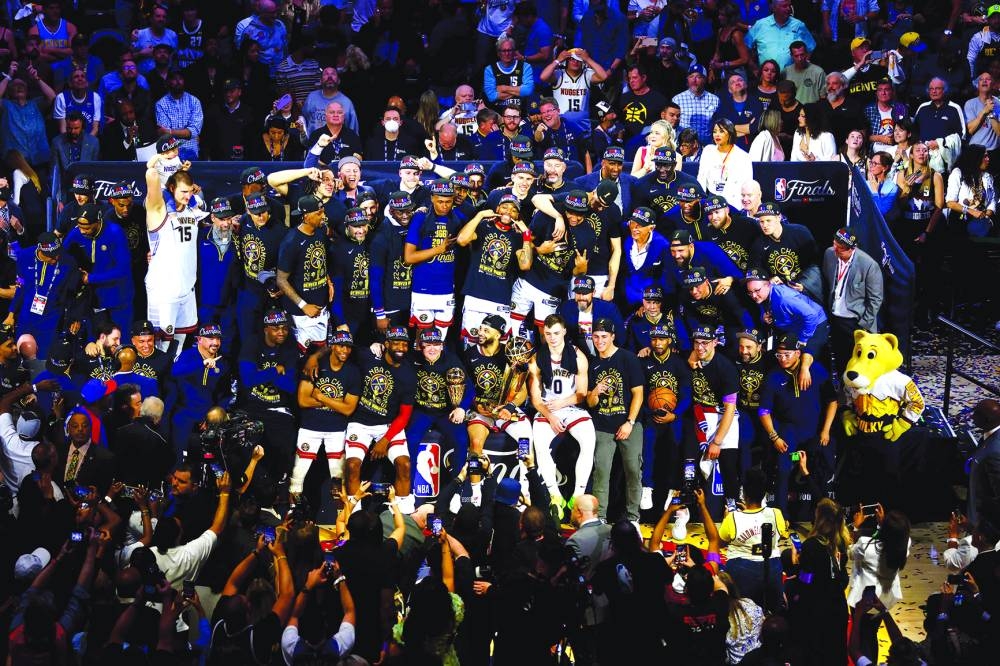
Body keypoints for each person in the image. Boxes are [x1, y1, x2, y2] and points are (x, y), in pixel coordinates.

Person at [343, 326, 417, 512]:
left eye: (404, 344)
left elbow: (405, 415)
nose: (401, 347)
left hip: (388, 425)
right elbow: (340, 348)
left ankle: (403, 514)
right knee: (352, 466)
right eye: (396, 342)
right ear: (386, 344)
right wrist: (313, 358)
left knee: (405, 465)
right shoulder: (367, 357)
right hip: (359, 422)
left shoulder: (408, 375)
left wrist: (385, 440)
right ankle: (354, 515)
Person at [528, 314, 596, 510]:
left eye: (556, 333)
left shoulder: (578, 356)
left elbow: (582, 394)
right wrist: (550, 415)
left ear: (564, 331)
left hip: (572, 406)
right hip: (547, 408)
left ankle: (577, 496)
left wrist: (562, 403)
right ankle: (555, 497)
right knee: (539, 445)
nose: (552, 337)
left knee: (589, 440)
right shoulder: (537, 359)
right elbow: (535, 399)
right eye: (548, 333)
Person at [585, 318, 644, 523]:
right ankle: (599, 518)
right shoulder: (593, 365)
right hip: (602, 425)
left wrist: (629, 422)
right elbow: (590, 403)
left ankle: (633, 518)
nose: (599, 341)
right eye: (596, 337)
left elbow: (638, 393)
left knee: (633, 471)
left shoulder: (628, 358)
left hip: (629, 423)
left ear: (612, 336)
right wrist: (596, 392)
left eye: (603, 336)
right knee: (601, 471)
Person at [719, 466, 790, 609]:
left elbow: (720, 543)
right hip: (771, 569)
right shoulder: (776, 513)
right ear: (764, 493)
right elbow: (782, 535)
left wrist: (726, 519)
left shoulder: (733, 517)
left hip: (741, 569)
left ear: (744, 493)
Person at [847, 505, 912, 659]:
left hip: (864, 599)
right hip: (884, 599)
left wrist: (856, 527)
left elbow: (851, 552)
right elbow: (894, 537)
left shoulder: (866, 544)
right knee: (871, 634)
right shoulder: (904, 544)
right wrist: (883, 524)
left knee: (863, 637)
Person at [404, 179, 465, 339]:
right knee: (421, 341)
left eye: (448, 201)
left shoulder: (458, 217)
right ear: (431, 198)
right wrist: (439, 249)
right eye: (440, 201)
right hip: (423, 288)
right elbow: (409, 257)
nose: (444, 206)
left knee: (440, 341)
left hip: (446, 290)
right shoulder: (421, 218)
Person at [821, 227, 884, 375]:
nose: (835, 250)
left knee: (858, 363)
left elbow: (875, 299)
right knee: (840, 359)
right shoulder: (829, 254)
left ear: (852, 249)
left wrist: (863, 325)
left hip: (855, 321)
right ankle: (843, 391)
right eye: (834, 245)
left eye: (840, 249)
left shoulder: (869, 265)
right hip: (836, 318)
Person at [697, 119, 753, 209]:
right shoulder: (708, 151)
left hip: (733, 202)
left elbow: (747, 185)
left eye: (721, 131)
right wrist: (699, 202)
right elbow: (701, 179)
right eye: (715, 132)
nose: (717, 135)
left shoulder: (743, 156)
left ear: (730, 133)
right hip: (712, 199)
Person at [745, 0, 815, 70]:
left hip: (792, 77)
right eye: (784, 6)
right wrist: (754, 68)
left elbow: (810, 47)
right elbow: (746, 46)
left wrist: (802, 67)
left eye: (789, 5)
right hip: (767, 76)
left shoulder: (798, 25)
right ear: (774, 8)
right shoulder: (760, 25)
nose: (788, 9)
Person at [969, 399, 1000, 527]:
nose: (971, 416)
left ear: (986, 420)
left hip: (984, 523)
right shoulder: (990, 434)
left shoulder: (994, 451)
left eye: (976, 413)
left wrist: (983, 525)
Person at [673, 64, 720, 146]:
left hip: (707, 147)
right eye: (691, 76)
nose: (694, 80)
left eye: (698, 77)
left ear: (704, 80)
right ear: (687, 79)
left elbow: (718, 124)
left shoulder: (715, 100)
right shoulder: (677, 99)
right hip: (684, 146)